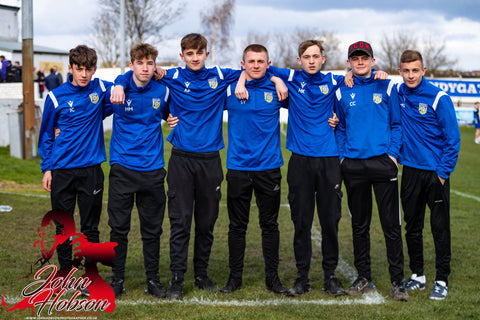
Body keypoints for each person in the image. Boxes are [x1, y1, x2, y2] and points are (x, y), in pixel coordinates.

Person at [334, 41, 409, 301]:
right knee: (359, 225)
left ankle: (398, 281)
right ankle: (363, 276)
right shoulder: (342, 89)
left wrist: (392, 156)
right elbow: (340, 127)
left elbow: (397, 125)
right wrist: (343, 158)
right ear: (349, 63)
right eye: (355, 59)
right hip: (353, 166)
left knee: (391, 225)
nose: (360, 62)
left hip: (382, 163)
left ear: (373, 61)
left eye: (364, 58)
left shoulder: (387, 85)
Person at [38, 45, 114, 278]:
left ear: (94, 69)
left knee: (91, 227)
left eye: (88, 69)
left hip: (91, 170)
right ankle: (66, 272)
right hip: (61, 171)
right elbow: (47, 134)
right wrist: (47, 168)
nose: (83, 74)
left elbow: (127, 85)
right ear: (69, 68)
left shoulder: (100, 89)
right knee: (63, 226)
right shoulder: (55, 96)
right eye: (78, 69)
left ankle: (91, 275)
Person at [218, 44, 287, 295]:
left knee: (270, 225)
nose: (256, 65)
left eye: (261, 61)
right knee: (237, 226)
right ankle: (234, 278)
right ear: (242, 64)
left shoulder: (278, 88)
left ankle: (273, 278)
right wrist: (239, 80)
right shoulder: (229, 89)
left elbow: (308, 87)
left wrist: (277, 78)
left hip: (269, 168)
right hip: (238, 168)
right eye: (251, 61)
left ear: (268, 64)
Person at [107, 43, 170, 299]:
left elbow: (170, 113)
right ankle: (117, 280)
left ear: (155, 66)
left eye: (150, 63)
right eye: (140, 63)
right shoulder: (117, 91)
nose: (145, 68)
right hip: (122, 169)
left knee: (152, 230)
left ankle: (152, 280)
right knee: (118, 229)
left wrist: (172, 118)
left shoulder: (163, 91)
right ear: (131, 65)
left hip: (153, 171)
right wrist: (119, 81)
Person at [397, 49, 461, 300]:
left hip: (435, 174)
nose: (411, 75)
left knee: (439, 228)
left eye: (415, 70)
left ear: (423, 70)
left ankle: (442, 279)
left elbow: (453, 140)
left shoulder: (438, 97)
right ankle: (418, 275)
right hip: (410, 172)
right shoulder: (399, 92)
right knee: (412, 227)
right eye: (406, 70)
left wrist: (442, 175)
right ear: (400, 71)